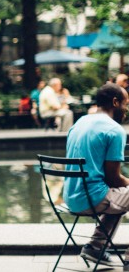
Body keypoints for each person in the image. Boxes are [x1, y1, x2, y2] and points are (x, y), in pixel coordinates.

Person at [62, 83, 129, 268]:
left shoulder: (80, 122)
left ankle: (95, 246)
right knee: (124, 193)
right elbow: (113, 179)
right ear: (115, 102)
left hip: (70, 197)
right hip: (91, 199)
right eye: (125, 104)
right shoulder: (115, 130)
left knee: (121, 198)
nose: (126, 109)